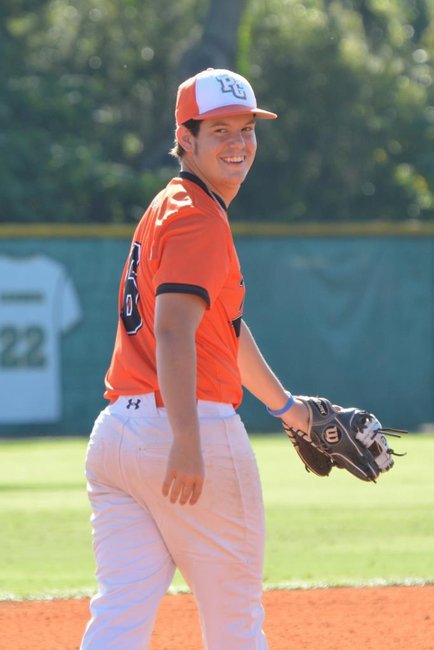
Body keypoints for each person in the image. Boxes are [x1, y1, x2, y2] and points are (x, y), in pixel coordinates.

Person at [80, 67, 309, 650]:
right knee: (235, 623)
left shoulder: (170, 206)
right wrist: (186, 438)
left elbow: (223, 332)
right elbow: (175, 330)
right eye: (219, 131)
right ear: (185, 138)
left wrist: (289, 409)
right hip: (185, 425)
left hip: (116, 438)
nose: (237, 144)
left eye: (245, 129)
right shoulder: (197, 217)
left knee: (119, 618)